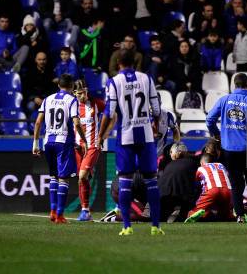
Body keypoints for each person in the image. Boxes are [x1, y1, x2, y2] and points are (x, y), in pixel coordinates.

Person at [97, 50, 164, 236]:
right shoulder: (147, 78)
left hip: (125, 137)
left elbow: (108, 113)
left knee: (125, 181)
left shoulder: (114, 82)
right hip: (146, 136)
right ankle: (156, 227)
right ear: (135, 60)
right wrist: (155, 127)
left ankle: (126, 226)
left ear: (118, 62)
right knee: (151, 180)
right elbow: (156, 109)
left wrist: (100, 136)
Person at [206, 73, 247, 222]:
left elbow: (209, 119)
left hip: (229, 149)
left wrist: (216, 134)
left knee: (236, 183)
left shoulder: (224, 100)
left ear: (234, 85)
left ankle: (239, 215)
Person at [32, 74, 84, 224]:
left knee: (53, 176)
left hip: (48, 142)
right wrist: (83, 140)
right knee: (64, 178)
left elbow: (37, 123)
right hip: (63, 142)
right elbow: (76, 122)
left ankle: (53, 211)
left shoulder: (47, 99)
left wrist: (35, 144)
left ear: (58, 85)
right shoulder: (72, 100)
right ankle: (60, 214)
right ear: (72, 86)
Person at [73, 79, 105, 222]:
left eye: (84, 92)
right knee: (82, 179)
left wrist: (103, 135)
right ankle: (85, 211)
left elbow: (113, 115)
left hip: (92, 146)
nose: (82, 96)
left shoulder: (96, 103)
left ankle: (85, 210)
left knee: (82, 176)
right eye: (79, 93)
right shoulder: (72, 106)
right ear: (74, 93)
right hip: (78, 147)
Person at [185, 153, 233, 222]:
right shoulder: (221, 165)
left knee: (192, 212)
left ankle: (199, 213)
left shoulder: (200, 168)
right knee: (225, 215)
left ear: (201, 162)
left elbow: (195, 183)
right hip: (228, 191)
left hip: (212, 190)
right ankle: (234, 215)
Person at [159, 142, 198, 222]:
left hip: (163, 195)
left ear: (178, 153)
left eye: (171, 152)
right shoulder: (193, 162)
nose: (170, 155)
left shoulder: (168, 165)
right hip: (181, 197)